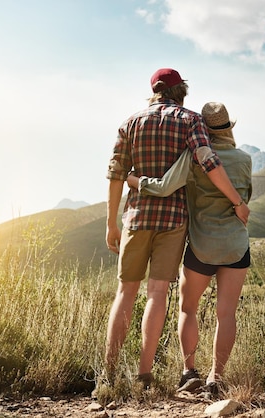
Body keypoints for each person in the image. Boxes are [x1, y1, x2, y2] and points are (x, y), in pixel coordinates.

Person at [104, 69, 249, 390]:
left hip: (136, 218)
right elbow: (207, 161)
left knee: (125, 293)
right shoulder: (190, 121)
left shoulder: (130, 122)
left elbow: (116, 172)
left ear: (153, 92)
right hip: (172, 222)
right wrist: (238, 201)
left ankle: (108, 374)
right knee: (157, 295)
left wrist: (111, 221)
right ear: (182, 91)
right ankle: (144, 374)